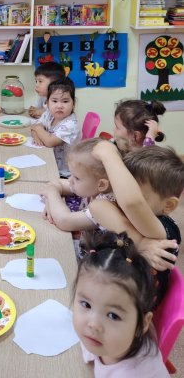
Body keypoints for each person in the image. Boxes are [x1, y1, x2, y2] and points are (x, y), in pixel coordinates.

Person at [88, 140, 183, 307]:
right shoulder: (124, 213)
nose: (121, 198)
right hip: (101, 289)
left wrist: (109, 154)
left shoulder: (165, 231)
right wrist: (139, 242)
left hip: (125, 311)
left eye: (135, 193)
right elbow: (97, 207)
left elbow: (131, 203)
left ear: (168, 205)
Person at [73, 231, 168, 377]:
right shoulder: (111, 341)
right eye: (86, 305)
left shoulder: (130, 374)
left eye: (113, 315)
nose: (93, 324)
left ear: (143, 324)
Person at [30, 77, 80, 177]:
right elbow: (33, 127)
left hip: (64, 173)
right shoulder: (49, 114)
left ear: (73, 104)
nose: (59, 106)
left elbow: (49, 142)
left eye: (65, 101)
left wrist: (38, 129)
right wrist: (36, 137)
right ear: (47, 103)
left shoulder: (71, 124)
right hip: (48, 160)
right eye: (55, 101)